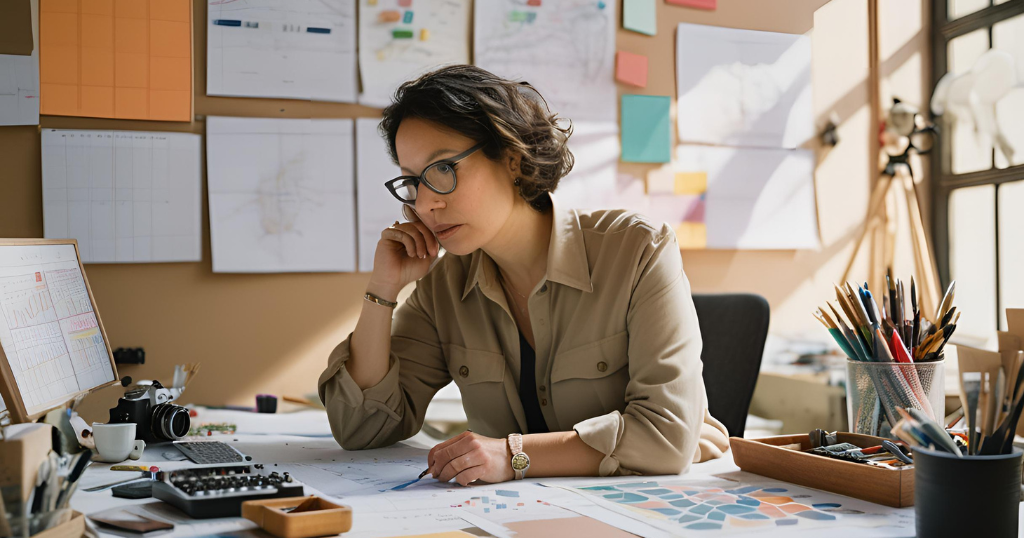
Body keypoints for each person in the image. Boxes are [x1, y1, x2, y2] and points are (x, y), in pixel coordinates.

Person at [318, 65, 729, 486]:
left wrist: (513, 455)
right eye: (412, 181)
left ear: (511, 157)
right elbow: (362, 428)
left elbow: (666, 436)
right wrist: (382, 290)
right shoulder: (444, 287)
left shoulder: (639, 251)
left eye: (442, 170)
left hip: (657, 508)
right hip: (521, 513)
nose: (425, 205)